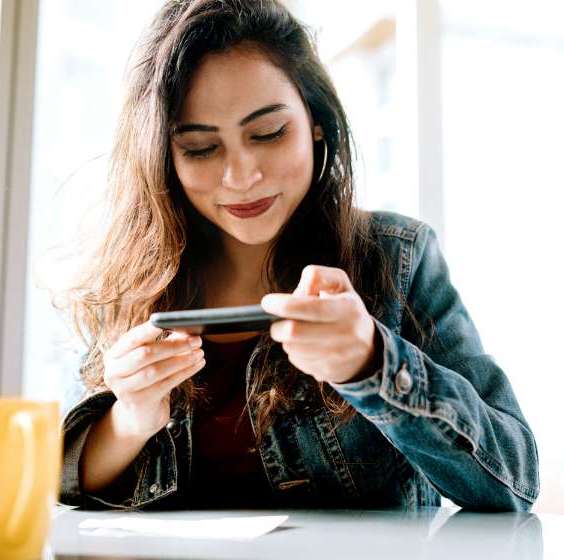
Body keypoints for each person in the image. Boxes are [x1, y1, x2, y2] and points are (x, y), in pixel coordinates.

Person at [59, 0, 539, 511]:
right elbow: (65, 481)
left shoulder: (397, 257)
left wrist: (371, 361)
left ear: (315, 121)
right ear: (164, 157)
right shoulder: (132, 278)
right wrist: (131, 419)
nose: (240, 177)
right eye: (200, 147)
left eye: (268, 133)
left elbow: (512, 482)